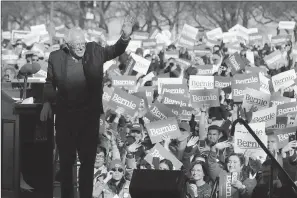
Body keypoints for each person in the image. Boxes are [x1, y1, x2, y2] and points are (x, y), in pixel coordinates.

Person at [40, 15, 136, 198]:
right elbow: (49, 82)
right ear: (67, 45)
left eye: (82, 43)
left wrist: (125, 36)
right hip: (65, 119)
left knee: (87, 163)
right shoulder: (56, 57)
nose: (81, 47)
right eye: (76, 44)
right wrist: (46, 102)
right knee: (66, 163)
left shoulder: (95, 50)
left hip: (88, 118)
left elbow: (115, 50)